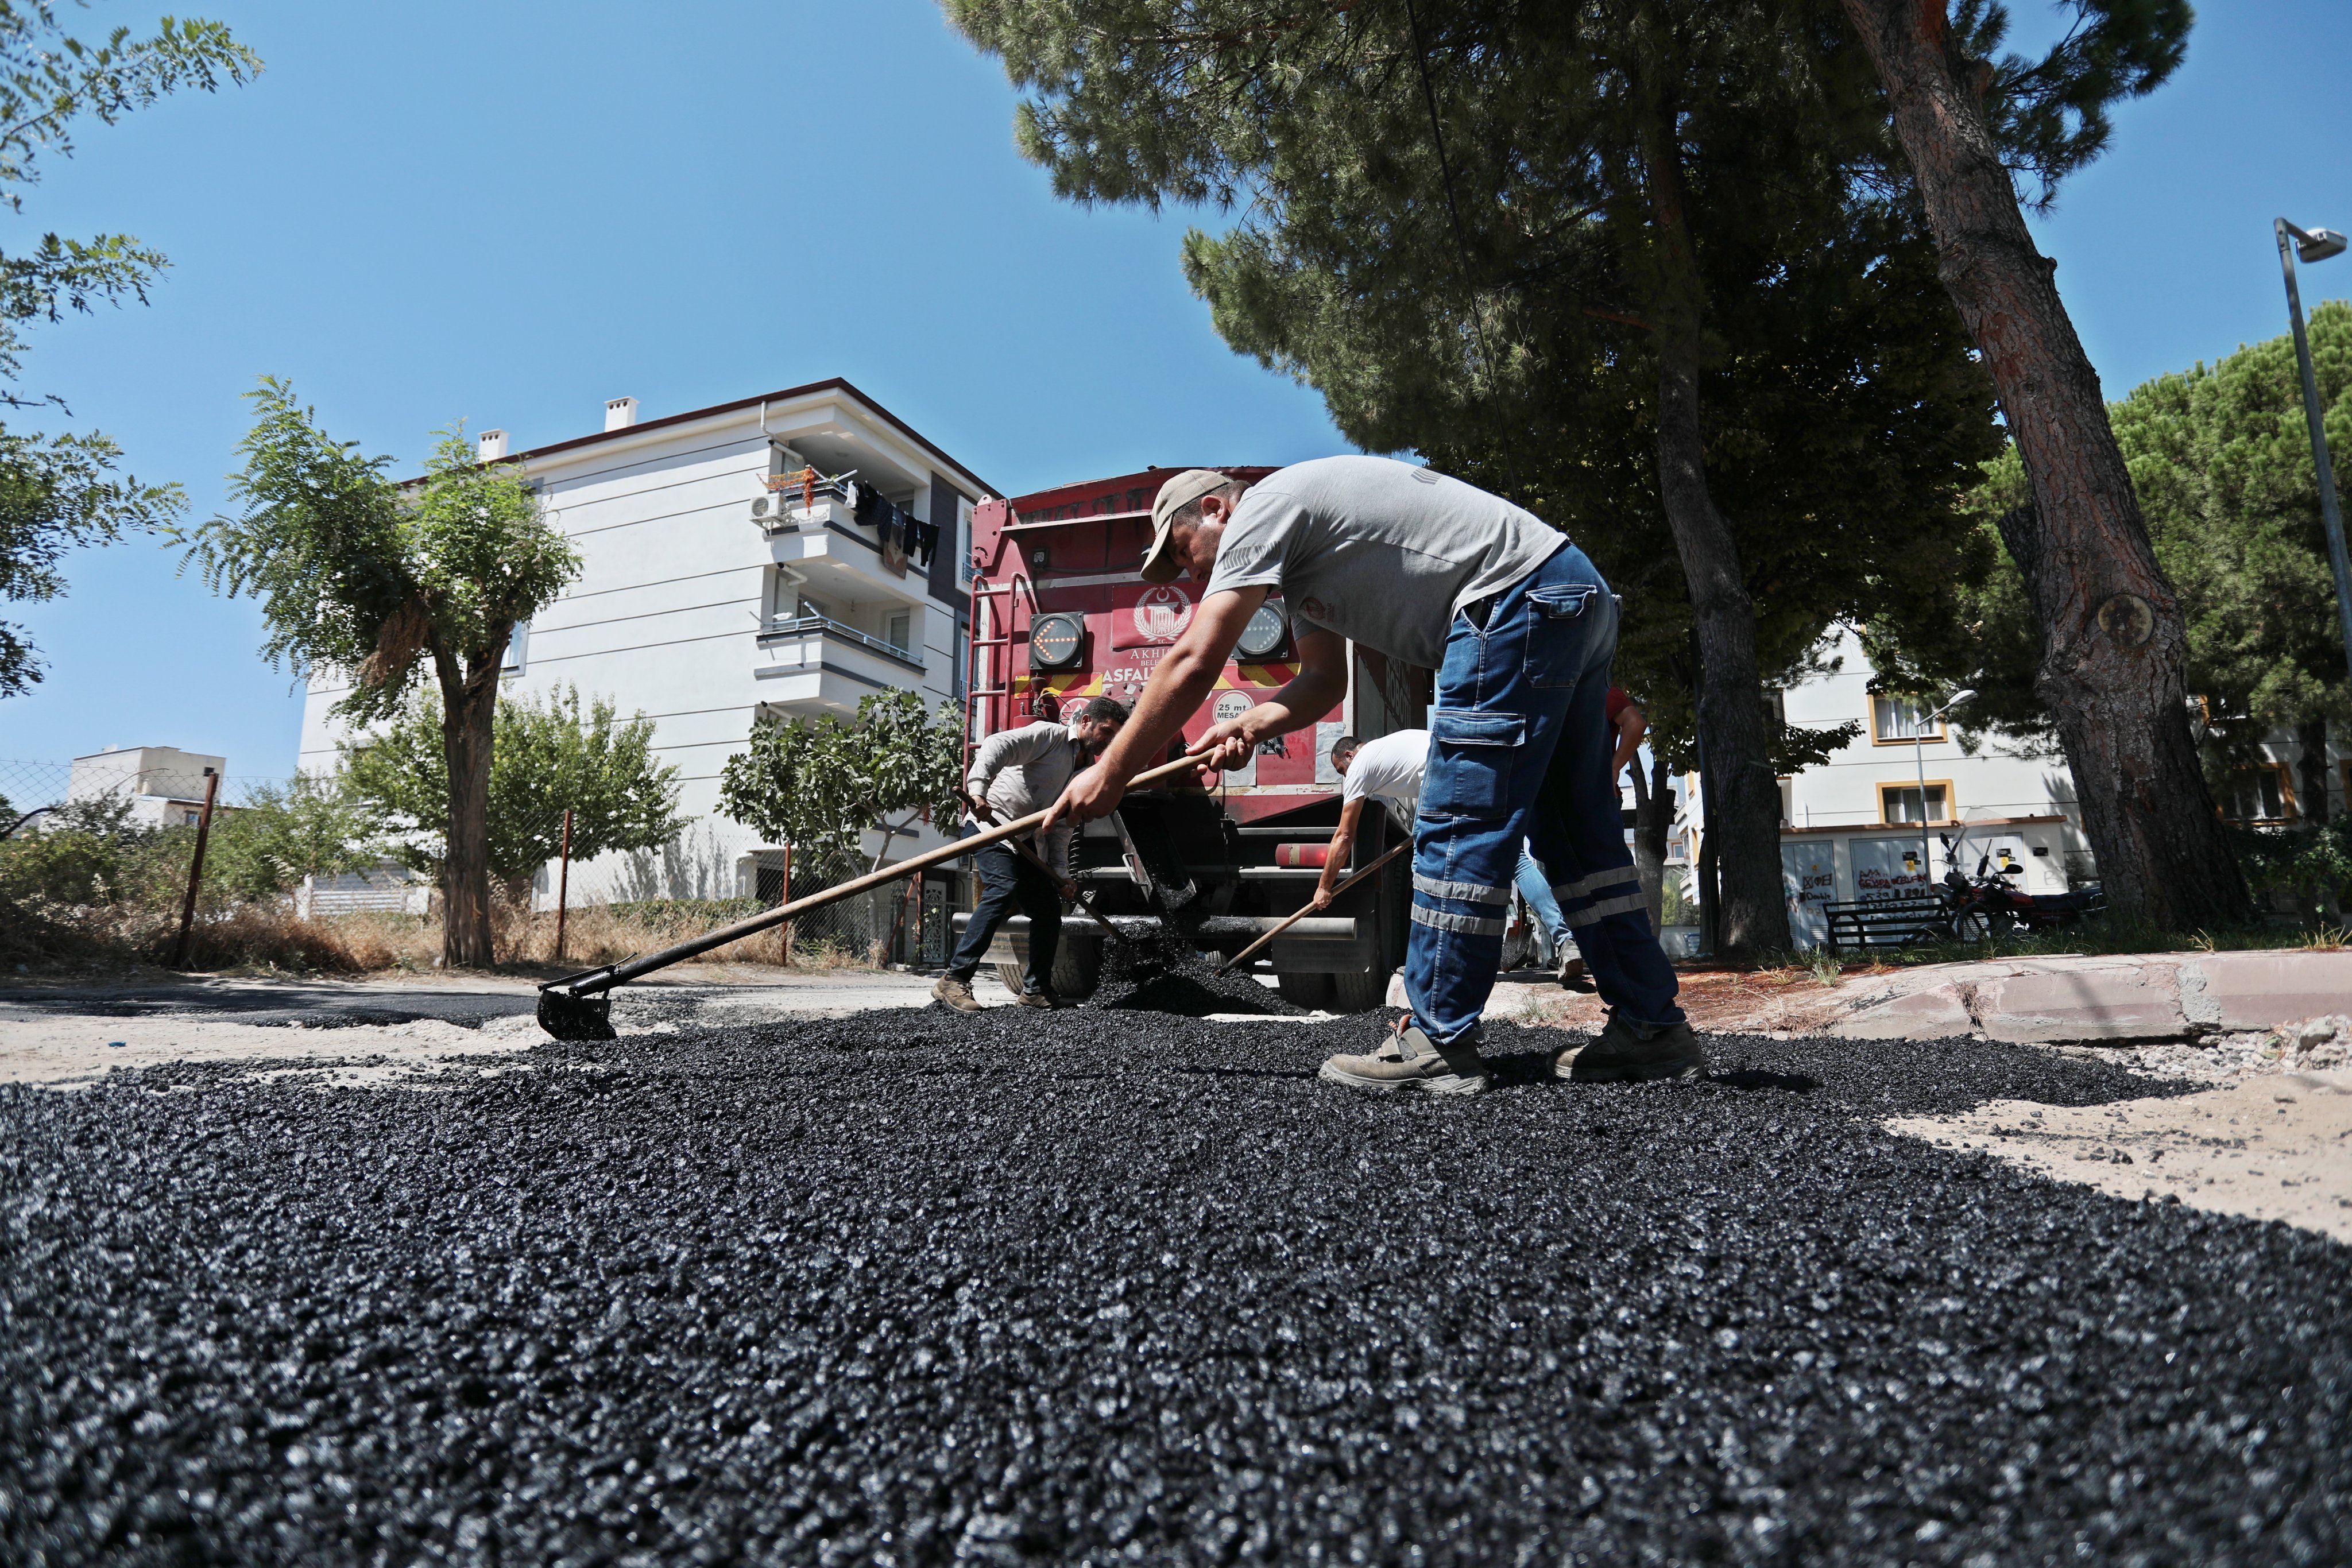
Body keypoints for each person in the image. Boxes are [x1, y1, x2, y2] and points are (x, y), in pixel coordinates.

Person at [1042, 459, 1697, 1094]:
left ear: (1215, 508)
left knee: (1461, 817)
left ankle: (1437, 1040)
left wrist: (1114, 772)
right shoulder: (1300, 566)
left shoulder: (1262, 508)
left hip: (1511, 601)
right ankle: (1651, 1026)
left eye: (1184, 551)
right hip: (1568, 595)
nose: (1190, 573)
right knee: (1573, 832)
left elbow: (1192, 657)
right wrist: (1252, 725)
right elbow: (1324, 682)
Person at [934, 695, 1128, 1013]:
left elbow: (1063, 828)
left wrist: (1062, 876)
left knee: (1048, 909)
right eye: (1106, 731)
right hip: (991, 827)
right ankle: (953, 980)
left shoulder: (1086, 774)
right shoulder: (1049, 736)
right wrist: (979, 791)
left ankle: (1035, 990)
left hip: (1025, 844)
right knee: (1002, 888)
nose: (1107, 741)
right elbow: (997, 744)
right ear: (1085, 722)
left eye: (1113, 736)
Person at [1544, 687, 1648, 990]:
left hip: (1573, 800)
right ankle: (1625, 966)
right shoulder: (1600, 692)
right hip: (1598, 798)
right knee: (1608, 883)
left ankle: (1604, 959)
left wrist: (1614, 768)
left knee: (1579, 886)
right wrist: (1613, 768)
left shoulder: (1569, 692)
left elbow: (1637, 724)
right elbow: (1635, 724)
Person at [1307, 730, 1425, 910]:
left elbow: (1344, 836)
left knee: (1423, 868)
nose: (1346, 776)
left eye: (1342, 770)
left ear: (1349, 755)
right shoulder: (1383, 748)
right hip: (1463, 765)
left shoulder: (1359, 765)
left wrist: (1324, 888)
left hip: (1437, 778)